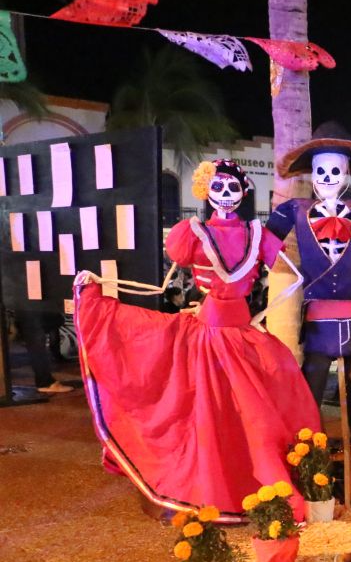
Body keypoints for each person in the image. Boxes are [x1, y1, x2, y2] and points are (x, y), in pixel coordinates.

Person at [75, 159, 320, 519]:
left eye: (232, 188)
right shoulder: (196, 231)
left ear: (244, 192)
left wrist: (256, 317)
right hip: (215, 331)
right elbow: (163, 286)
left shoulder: (251, 233)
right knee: (208, 411)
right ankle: (210, 488)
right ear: (206, 191)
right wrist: (99, 285)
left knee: (235, 414)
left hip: (227, 332)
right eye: (218, 187)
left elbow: (295, 277)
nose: (225, 194)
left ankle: (232, 488)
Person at [268, 134, 351, 497]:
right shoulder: (294, 209)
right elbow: (260, 246)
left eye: (334, 170)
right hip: (317, 325)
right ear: (311, 173)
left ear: (346, 174)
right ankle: (312, 483)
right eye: (320, 170)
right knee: (307, 406)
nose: (326, 176)